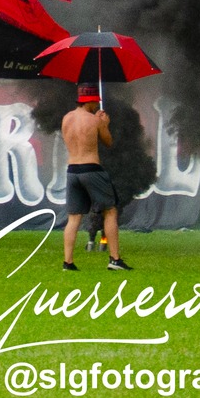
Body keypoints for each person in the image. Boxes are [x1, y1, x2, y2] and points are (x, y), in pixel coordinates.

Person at [60, 87, 131, 272]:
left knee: (73, 218)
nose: (97, 105)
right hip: (91, 168)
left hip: (72, 170)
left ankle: (68, 262)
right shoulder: (94, 120)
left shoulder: (66, 118)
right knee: (110, 211)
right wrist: (104, 124)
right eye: (95, 102)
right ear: (90, 102)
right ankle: (115, 259)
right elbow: (108, 142)